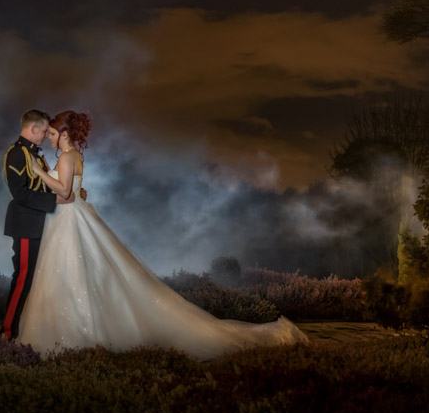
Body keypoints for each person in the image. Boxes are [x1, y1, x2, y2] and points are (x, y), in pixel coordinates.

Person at [19, 110, 309, 360]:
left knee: (72, 275)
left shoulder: (68, 158)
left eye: (54, 133)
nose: (51, 138)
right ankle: (75, 333)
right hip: (69, 218)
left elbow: (66, 191)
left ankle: (75, 336)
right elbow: (75, 191)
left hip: (69, 220)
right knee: (75, 276)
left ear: (66, 134)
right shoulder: (73, 156)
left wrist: (39, 172)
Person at [1, 109, 75, 340]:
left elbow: (44, 184)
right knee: (23, 278)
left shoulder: (34, 153)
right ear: (33, 129)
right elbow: (20, 193)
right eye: (44, 131)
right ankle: (7, 332)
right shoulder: (16, 154)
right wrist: (55, 199)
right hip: (26, 224)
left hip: (42, 223)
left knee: (36, 278)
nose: (45, 136)